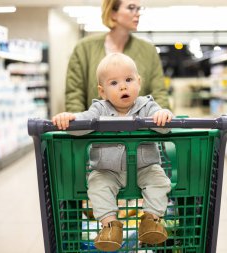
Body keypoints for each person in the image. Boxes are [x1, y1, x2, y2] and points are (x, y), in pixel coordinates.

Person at [53, 53, 172, 252]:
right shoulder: (99, 109)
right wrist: (70, 119)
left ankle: (150, 220)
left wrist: (164, 115)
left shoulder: (148, 106)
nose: (123, 86)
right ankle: (110, 226)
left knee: (160, 180)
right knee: (96, 184)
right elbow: (82, 123)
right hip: (107, 169)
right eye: (114, 83)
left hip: (145, 166)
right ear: (103, 91)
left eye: (128, 80)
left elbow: (165, 127)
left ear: (139, 82)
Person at [65, 0, 169, 113]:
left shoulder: (148, 50)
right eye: (131, 7)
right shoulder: (84, 48)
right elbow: (74, 94)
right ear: (112, 13)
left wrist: (161, 118)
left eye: (139, 9)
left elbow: (159, 94)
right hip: (95, 128)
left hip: (140, 129)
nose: (138, 13)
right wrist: (80, 125)